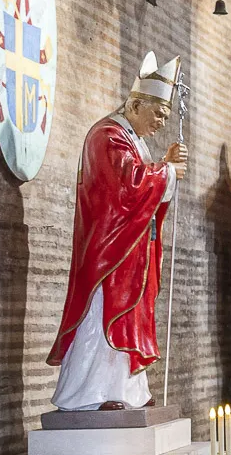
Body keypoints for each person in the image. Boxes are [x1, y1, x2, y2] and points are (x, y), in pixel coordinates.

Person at [48, 52, 187, 410]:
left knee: (129, 317)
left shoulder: (132, 138)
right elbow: (125, 188)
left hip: (130, 249)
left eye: (167, 116)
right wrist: (166, 171)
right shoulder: (107, 135)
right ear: (136, 103)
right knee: (102, 317)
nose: (160, 122)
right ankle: (89, 394)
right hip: (109, 252)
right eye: (158, 113)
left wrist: (162, 167)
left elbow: (143, 189)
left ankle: (125, 391)